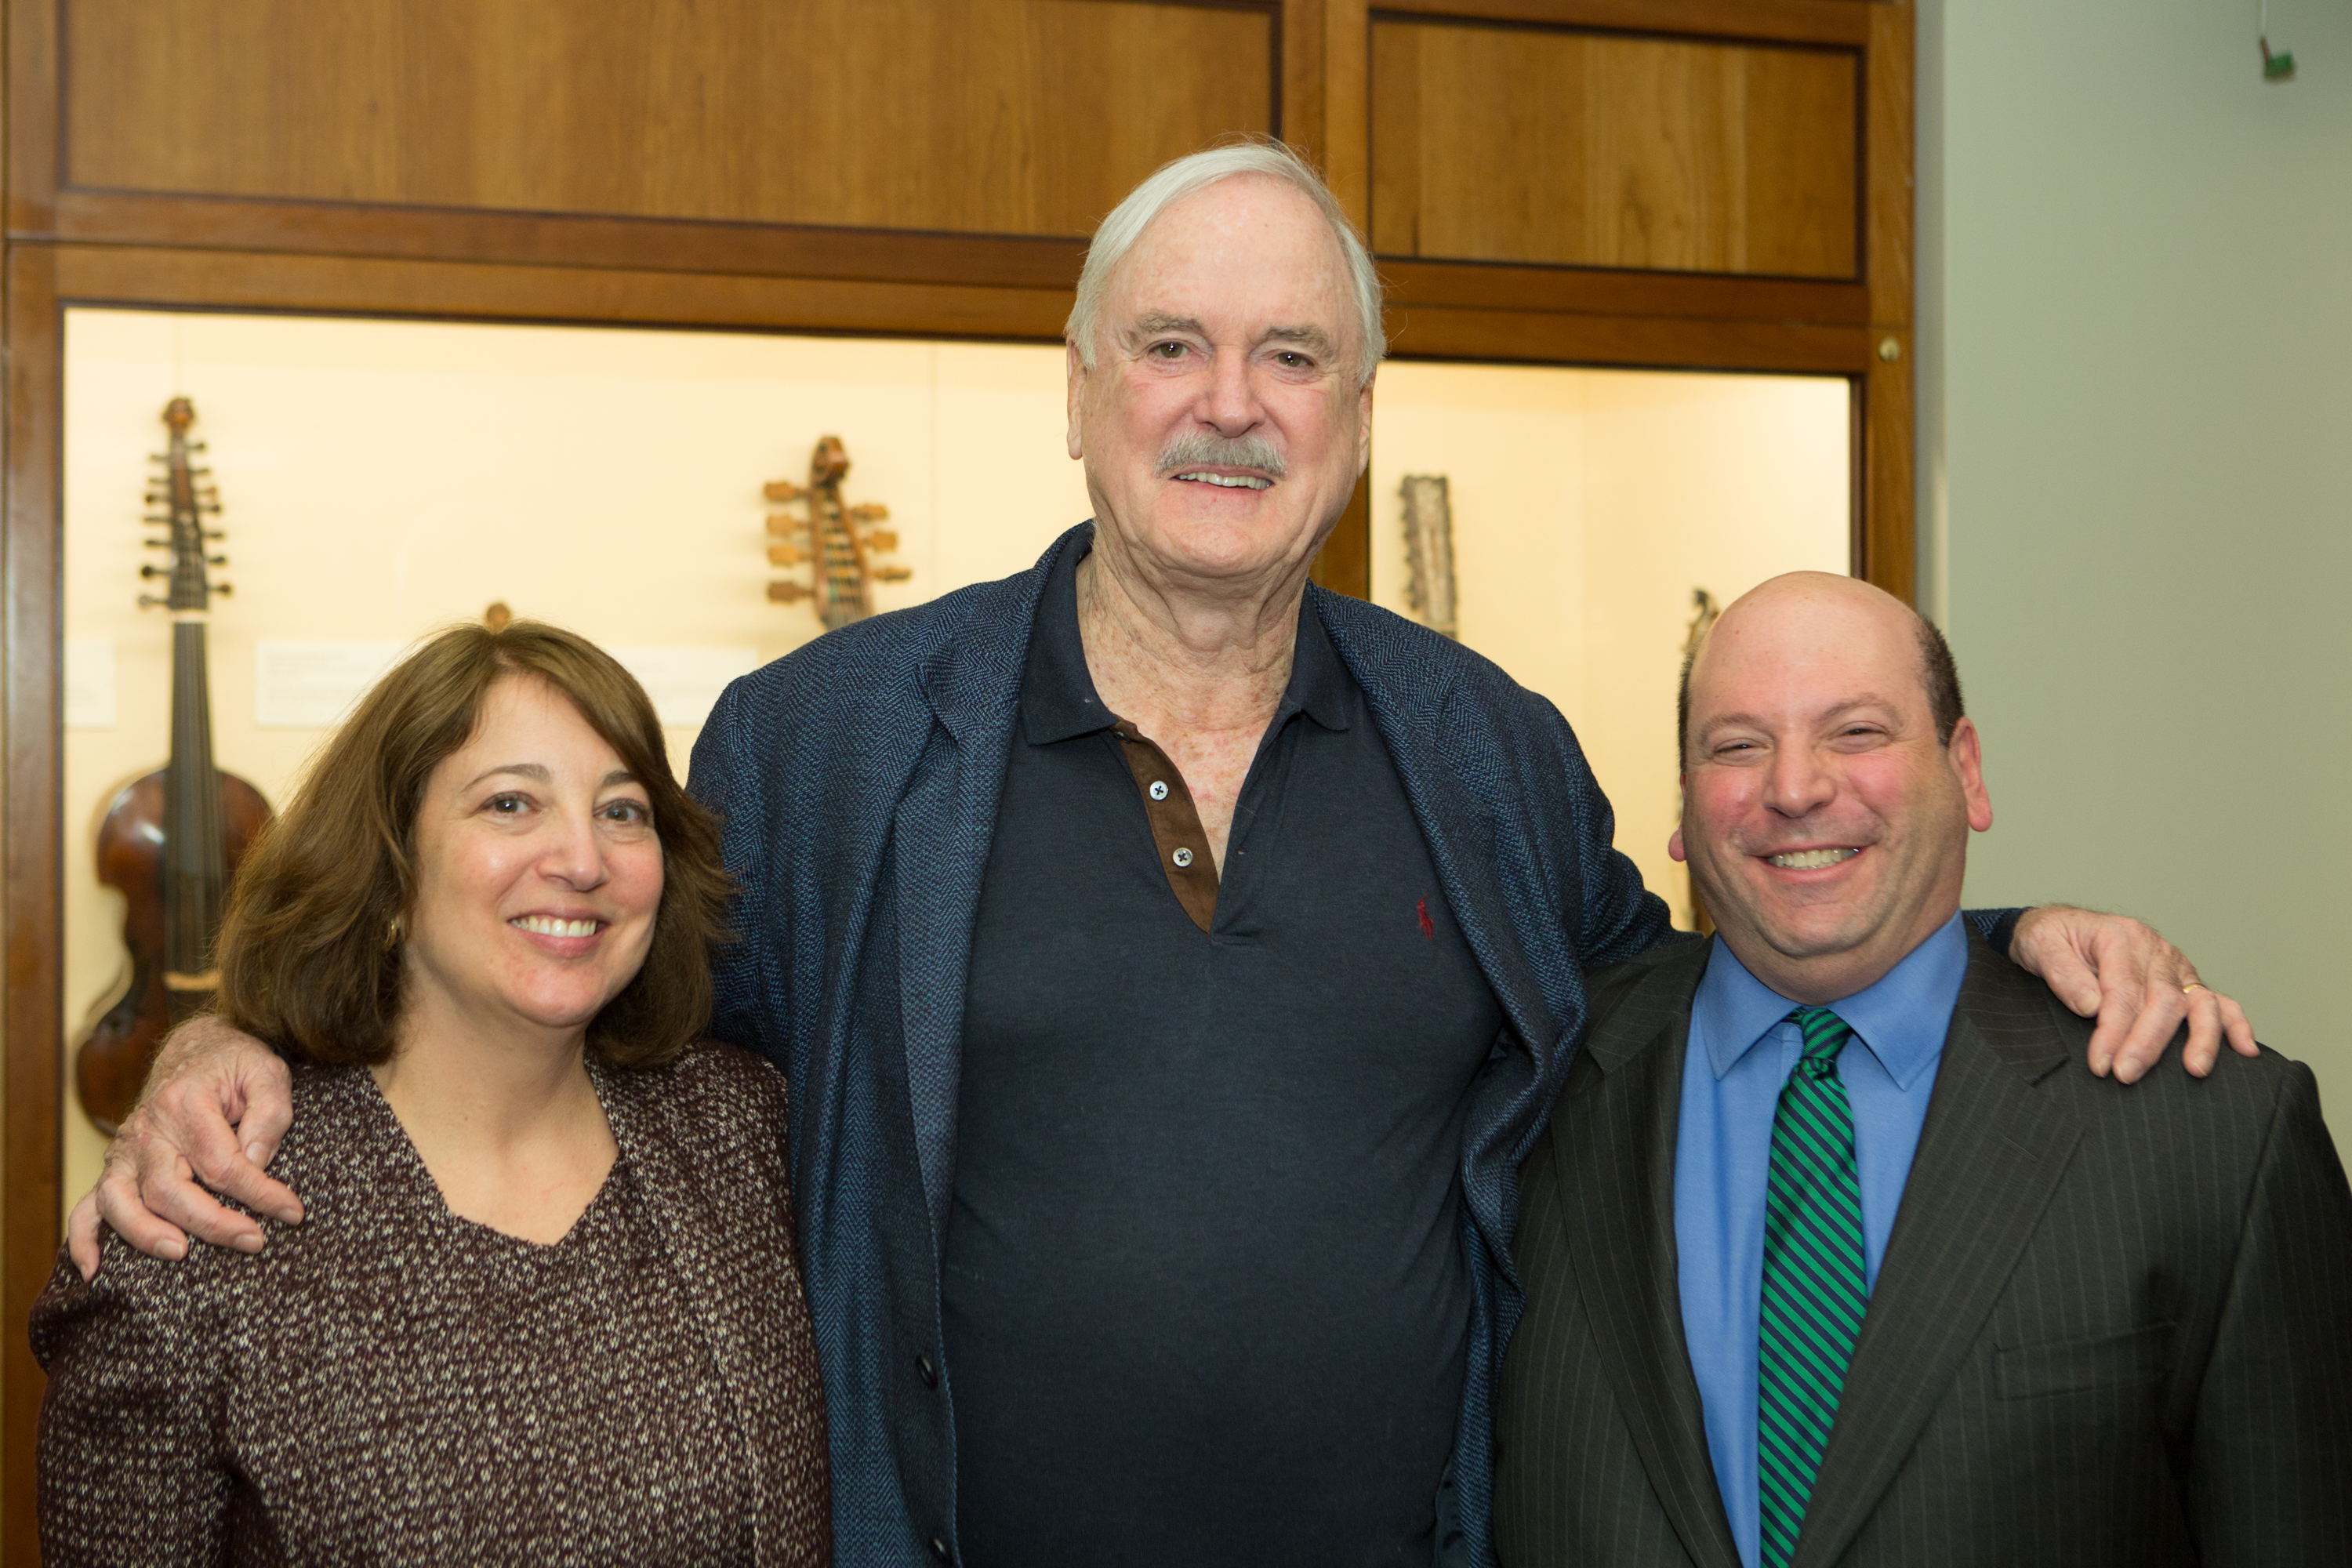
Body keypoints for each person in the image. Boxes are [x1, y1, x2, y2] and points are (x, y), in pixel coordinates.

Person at [73, 144, 2253, 1568]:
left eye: (1295, 353)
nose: (1233, 400)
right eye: (1176, 346)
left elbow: (1697, 986)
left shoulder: (1484, 749)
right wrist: (242, 1047)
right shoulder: (832, 743)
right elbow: (578, 1012)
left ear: (1363, 409)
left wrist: (1982, 941)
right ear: (1083, 390)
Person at [1495, 572, 2352, 1568]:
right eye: (1736, 744)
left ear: (1968, 771)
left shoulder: (2212, 1133)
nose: (1796, 786)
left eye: (1857, 732)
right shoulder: (1530, 1087)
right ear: (1683, 805)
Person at [34, 623, 830, 1563]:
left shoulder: (745, 1129)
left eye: (623, 812)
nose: (583, 858)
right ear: (392, 872)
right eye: (509, 802)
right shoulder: (196, 1216)